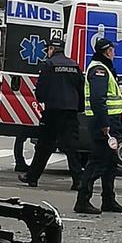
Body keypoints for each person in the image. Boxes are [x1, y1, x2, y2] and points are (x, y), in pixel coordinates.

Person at [19, 37, 84, 189]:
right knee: (72, 148)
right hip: (70, 112)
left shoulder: (49, 64)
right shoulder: (74, 65)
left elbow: (41, 89)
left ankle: (32, 177)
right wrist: (78, 108)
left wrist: (41, 99)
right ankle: (78, 181)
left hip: (53, 111)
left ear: (52, 50)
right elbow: (80, 89)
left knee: (44, 146)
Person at [75, 38, 122, 215]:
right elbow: (98, 100)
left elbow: (112, 89)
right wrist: (105, 125)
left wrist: (121, 86)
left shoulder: (105, 68)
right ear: (107, 52)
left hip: (111, 121)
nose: (114, 52)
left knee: (111, 163)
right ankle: (83, 200)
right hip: (103, 123)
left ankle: (108, 199)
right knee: (98, 162)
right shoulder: (99, 70)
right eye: (113, 50)